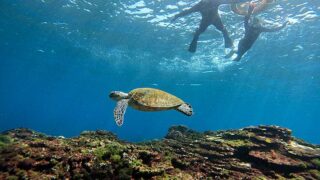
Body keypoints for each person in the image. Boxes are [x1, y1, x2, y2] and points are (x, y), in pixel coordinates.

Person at [171, 0, 251, 53]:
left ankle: (228, 44)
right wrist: (177, 16)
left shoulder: (213, 2)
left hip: (214, 20)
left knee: (223, 31)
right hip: (208, 21)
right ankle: (228, 44)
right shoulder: (201, 5)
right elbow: (188, 11)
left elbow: (229, 1)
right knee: (199, 33)